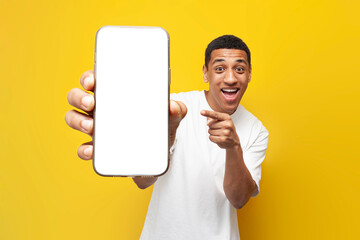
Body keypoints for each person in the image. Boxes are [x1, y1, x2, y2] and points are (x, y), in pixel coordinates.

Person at [65, 35, 269, 239]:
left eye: (240, 69)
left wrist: (233, 147)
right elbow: (142, 181)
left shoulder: (256, 130)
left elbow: (239, 199)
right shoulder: (172, 108)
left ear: (249, 74)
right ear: (205, 73)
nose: (231, 78)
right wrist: (165, 135)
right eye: (220, 68)